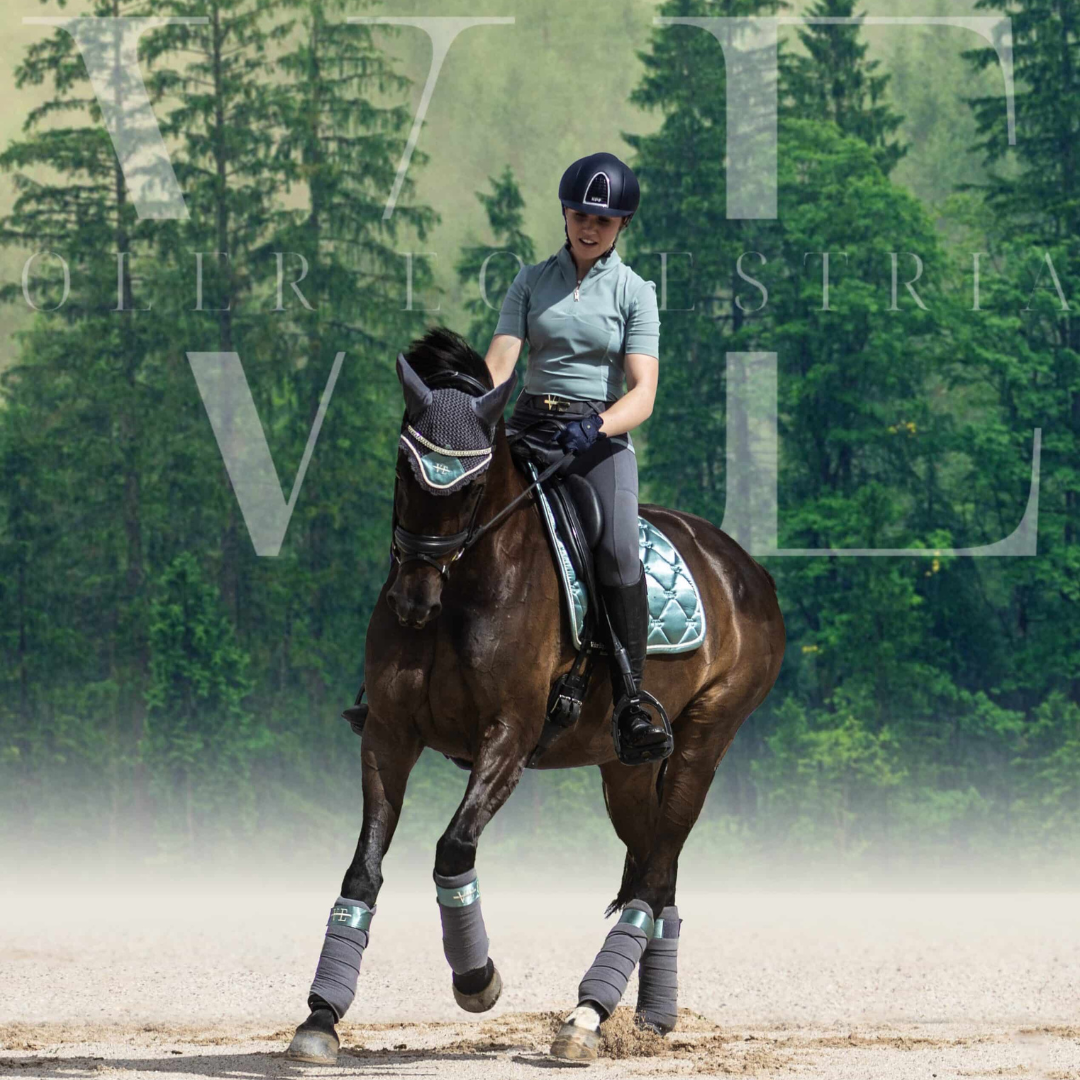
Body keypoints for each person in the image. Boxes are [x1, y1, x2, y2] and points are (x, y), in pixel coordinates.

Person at [483, 150, 668, 760]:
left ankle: (632, 700)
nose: (590, 227)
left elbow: (642, 393)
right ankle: (395, 677)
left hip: (598, 440)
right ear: (565, 214)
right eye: (581, 214)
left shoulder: (636, 293)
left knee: (616, 546)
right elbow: (500, 365)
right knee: (449, 507)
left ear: (622, 227)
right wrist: (471, 419)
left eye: (604, 221)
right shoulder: (531, 281)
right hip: (528, 425)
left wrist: (597, 427)